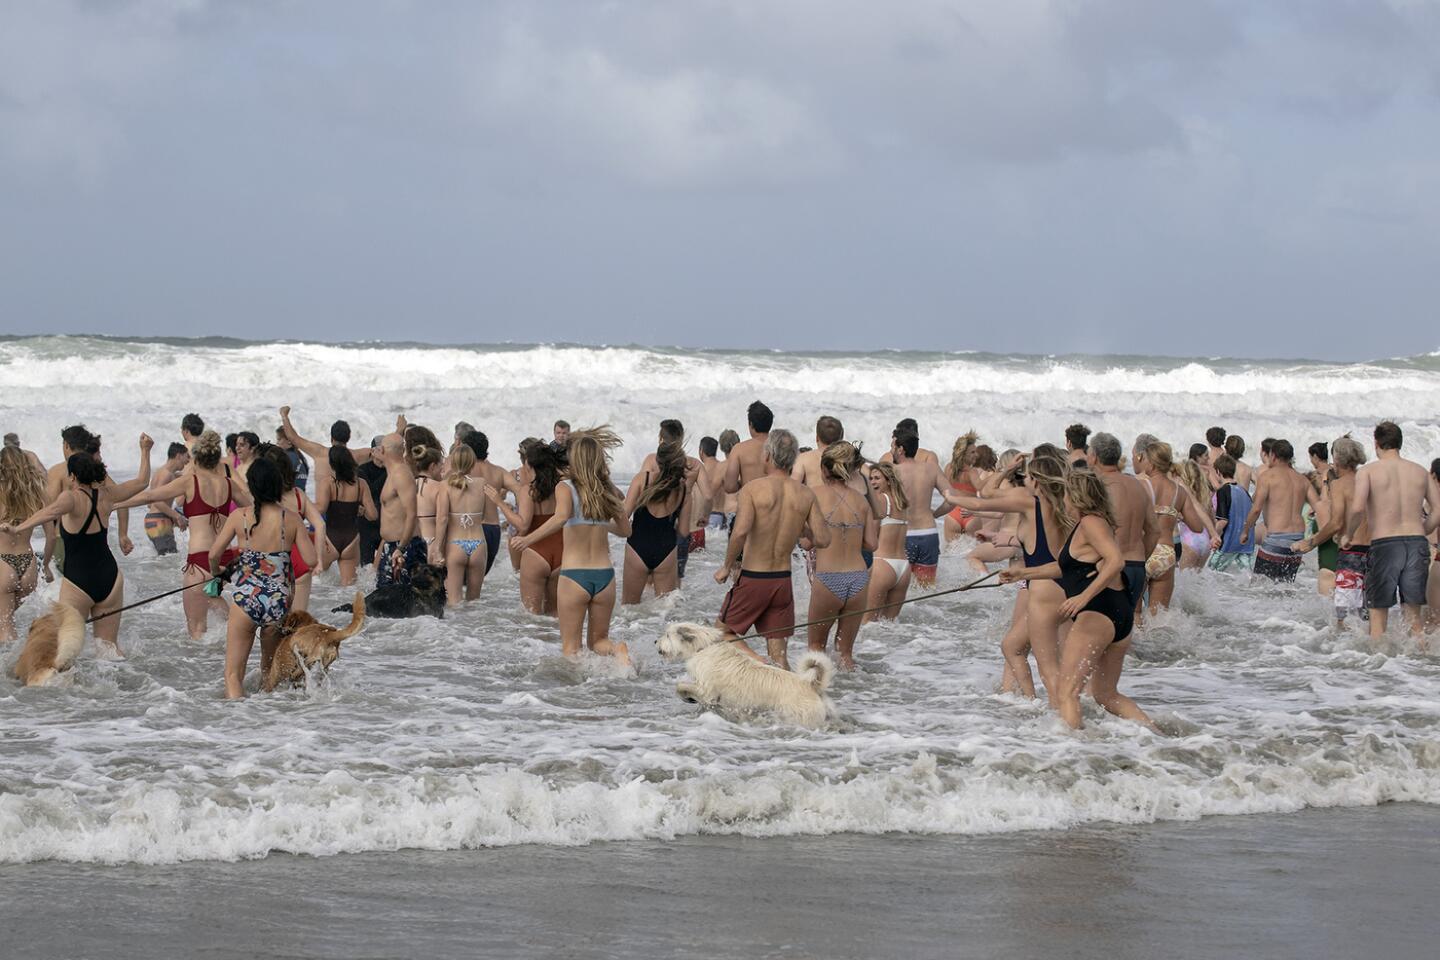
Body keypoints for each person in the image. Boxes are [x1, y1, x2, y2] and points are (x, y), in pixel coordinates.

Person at [1000, 470, 1155, 731]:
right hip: (1116, 612)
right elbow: (1065, 569)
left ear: (1077, 495)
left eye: (1066, 494)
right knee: (1106, 695)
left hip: (1098, 612)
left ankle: (1075, 751)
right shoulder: (1089, 523)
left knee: (1066, 692)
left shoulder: (1092, 523)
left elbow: (1116, 560)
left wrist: (1084, 596)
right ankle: (1158, 735)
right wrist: (1022, 572)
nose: (1063, 500)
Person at [3, 436, 153, 657]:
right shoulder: (107, 495)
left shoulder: (71, 498)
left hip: (78, 582)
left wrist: (18, 528)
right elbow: (142, 481)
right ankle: (123, 687)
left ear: (72, 476)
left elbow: (49, 512)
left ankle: (69, 690)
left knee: (64, 649)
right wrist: (145, 451)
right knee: (108, 648)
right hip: (110, 578)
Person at [947, 451, 1069, 701]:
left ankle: (1061, 715)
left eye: (1027, 475)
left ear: (1036, 480)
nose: (1023, 479)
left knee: (1048, 666)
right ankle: (1033, 705)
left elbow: (983, 499)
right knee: (1013, 647)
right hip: (1062, 583)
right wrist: (1009, 539)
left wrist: (949, 495)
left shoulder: (1030, 502)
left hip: (1043, 588)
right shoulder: (1064, 503)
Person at [114, 430, 250, 638]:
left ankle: (212, 663)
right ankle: (241, 637)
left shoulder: (190, 482)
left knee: (196, 631)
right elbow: (253, 510)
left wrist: (115, 504)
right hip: (223, 559)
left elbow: (150, 496)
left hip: (199, 562)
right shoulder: (228, 484)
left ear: (197, 458)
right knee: (216, 606)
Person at [511, 428, 632, 663]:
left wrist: (528, 539)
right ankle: (618, 651)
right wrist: (599, 524)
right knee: (598, 642)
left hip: (574, 576)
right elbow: (626, 531)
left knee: (571, 650)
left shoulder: (565, 487)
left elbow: (560, 517)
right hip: (605, 577)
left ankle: (575, 697)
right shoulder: (606, 489)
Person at [714, 429, 829, 670]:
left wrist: (726, 566)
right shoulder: (805, 494)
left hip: (754, 578)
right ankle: (788, 704)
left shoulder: (753, 489)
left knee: (721, 634)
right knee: (780, 657)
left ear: (768, 456)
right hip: (782, 582)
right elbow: (822, 538)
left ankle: (759, 663)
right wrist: (800, 528)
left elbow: (741, 531)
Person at [209, 456, 314, 699]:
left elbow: (214, 554)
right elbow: (309, 561)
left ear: (252, 486)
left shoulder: (240, 517)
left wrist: (219, 573)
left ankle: (238, 725)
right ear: (278, 485)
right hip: (278, 602)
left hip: (246, 600)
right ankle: (267, 725)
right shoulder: (292, 518)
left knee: (233, 674)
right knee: (270, 673)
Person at [1344, 421, 1440, 647]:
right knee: (1414, 618)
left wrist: (1348, 534)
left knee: (1378, 615)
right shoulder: (1419, 471)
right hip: (1416, 543)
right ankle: (1419, 666)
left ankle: (1380, 673)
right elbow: (1437, 509)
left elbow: (1358, 508)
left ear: (1376, 443)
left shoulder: (1368, 471)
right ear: (1400, 443)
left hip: (1385, 543)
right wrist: (1423, 531)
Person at [806, 442, 877, 670]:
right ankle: (855, 702)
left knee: (816, 648)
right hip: (858, 578)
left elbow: (807, 542)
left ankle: (816, 699)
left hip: (828, 578)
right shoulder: (861, 501)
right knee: (845, 654)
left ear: (824, 469)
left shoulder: (814, 495)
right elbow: (871, 544)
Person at [1295, 437, 1368, 628]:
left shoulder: (1339, 485)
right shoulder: (1368, 480)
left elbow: (1336, 523)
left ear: (1336, 460)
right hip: (1375, 551)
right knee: (1366, 615)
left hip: (1351, 553)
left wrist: (1310, 542)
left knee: (1344, 618)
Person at [1137, 441, 1220, 608]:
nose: (1141, 461)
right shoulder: (1178, 490)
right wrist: (1175, 514)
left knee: (1137, 613)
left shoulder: (1141, 485)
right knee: (1159, 615)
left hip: (1144, 552)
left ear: (1151, 462)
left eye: (1143, 458)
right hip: (1166, 552)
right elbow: (1197, 526)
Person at [487, 441, 565, 613]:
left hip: (536, 552)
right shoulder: (562, 487)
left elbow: (523, 524)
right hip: (562, 551)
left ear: (530, 465)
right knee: (555, 616)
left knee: (532, 617)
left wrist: (500, 503)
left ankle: (535, 641)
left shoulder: (528, 490)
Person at [1089, 432, 1158, 611]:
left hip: (1111, 567)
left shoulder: (1100, 486)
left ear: (1094, 457)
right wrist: (1141, 558)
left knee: (1099, 628)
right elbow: (1154, 531)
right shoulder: (1137, 485)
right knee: (1124, 630)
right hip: (1137, 567)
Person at [258, 443, 324, 615]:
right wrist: (319, 560)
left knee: (275, 624)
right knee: (298, 621)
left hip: (275, 560)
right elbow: (320, 524)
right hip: (301, 559)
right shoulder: (298, 495)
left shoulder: (265, 498)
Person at [1242, 439, 1320, 584]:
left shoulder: (1268, 477)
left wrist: (1246, 531)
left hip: (1276, 538)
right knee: (1285, 587)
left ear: (1273, 456)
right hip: (1298, 539)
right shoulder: (1302, 480)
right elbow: (1319, 507)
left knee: (1260, 587)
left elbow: (1256, 509)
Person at [621, 440, 688, 603]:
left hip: (637, 546)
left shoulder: (642, 479)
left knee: (629, 608)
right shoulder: (683, 488)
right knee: (663, 611)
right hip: (666, 550)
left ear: (657, 460)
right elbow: (684, 531)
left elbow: (624, 515)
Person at [0, 445, 50, 644]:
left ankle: (8, 670)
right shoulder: (36, 493)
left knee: (5, 626)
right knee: (7, 619)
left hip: (3, 564)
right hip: (29, 566)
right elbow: (52, 535)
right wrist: (45, 566)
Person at [891, 431, 950, 587]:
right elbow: (952, 500)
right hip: (928, 534)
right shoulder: (931, 469)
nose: (891, 450)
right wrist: (934, 514)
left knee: (899, 589)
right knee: (927, 590)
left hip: (904, 535)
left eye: (892, 446)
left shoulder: (893, 472)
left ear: (900, 449)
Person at [433, 444, 489, 604]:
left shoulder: (445, 485)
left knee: (453, 602)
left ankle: (456, 630)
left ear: (453, 462)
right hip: (478, 544)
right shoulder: (481, 483)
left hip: (456, 545)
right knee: (474, 602)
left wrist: (437, 548)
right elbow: (483, 515)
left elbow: (442, 519)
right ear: (473, 463)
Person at [316, 445, 377, 587]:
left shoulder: (327, 483)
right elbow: (373, 515)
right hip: (352, 541)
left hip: (330, 539)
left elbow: (321, 509)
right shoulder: (361, 484)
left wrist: (302, 504)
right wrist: (361, 511)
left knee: (313, 580)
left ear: (332, 464)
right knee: (348, 589)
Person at [863, 461, 912, 623]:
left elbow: (871, 536)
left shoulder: (882, 500)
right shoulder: (902, 503)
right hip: (903, 569)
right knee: (889, 626)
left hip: (882, 565)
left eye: (877, 478)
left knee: (867, 623)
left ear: (889, 480)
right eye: (870, 479)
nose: (872, 482)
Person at [458, 430, 510, 576]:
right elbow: (522, 490)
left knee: (456, 583)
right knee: (476, 584)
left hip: (470, 529)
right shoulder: (498, 471)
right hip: (493, 530)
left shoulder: (461, 471)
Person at [375, 433, 423, 590]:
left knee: (404, 599)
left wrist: (401, 548)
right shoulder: (393, 473)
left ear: (382, 450)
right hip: (392, 546)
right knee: (385, 601)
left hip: (403, 546)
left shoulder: (401, 474)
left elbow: (412, 514)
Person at [1207, 454, 1255, 572]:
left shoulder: (1223, 491)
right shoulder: (1243, 491)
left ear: (1218, 472)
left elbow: (1223, 520)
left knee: (1211, 572)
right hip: (1246, 544)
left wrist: (1213, 537)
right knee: (1247, 577)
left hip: (1229, 543)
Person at [143, 443, 190, 556]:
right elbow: (155, 501)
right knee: (169, 557)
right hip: (158, 521)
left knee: (166, 558)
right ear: (178, 455)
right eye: (186, 456)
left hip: (155, 520)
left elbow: (150, 504)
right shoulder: (166, 475)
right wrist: (177, 516)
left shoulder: (162, 472)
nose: (188, 460)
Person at [1306, 441, 1338, 596]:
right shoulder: (1335, 469)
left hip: (1329, 564)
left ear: (1315, 456)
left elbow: (1325, 498)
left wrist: (1308, 543)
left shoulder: (1323, 474)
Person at [722, 401, 774, 495]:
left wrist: (743, 483)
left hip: (750, 503)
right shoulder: (780, 447)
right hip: (776, 504)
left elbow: (729, 486)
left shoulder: (739, 449)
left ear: (751, 424)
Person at [1174, 459, 1216, 569]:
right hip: (1205, 541)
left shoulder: (1182, 492)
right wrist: (1213, 536)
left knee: (1183, 584)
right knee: (1197, 583)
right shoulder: (1205, 493)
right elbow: (1211, 518)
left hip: (1188, 540)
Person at [941, 431, 982, 542]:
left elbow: (945, 493)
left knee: (950, 555)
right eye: (972, 452)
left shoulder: (948, 468)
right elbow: (982, 490)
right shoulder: (972, 471)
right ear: (963, 454)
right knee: (973, 554)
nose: (976, 455)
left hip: (952, 516)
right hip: (970, 514)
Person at [356, 436, 387, 568]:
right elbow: (372, 490)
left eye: (387, 450)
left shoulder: (393, 471)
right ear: (373, 451)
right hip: (367, 525)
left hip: (386, 524)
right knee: (365, 568)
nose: (385, 453)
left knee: (386, 567)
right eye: (381, 449)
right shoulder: (362, 470)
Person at [276, 427, 309, 493]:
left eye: (279, 440)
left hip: (291, 497)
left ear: (289, 441)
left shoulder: (286, 457)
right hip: (301, 497)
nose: (277, 443)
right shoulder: (301, 456)